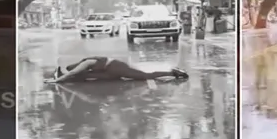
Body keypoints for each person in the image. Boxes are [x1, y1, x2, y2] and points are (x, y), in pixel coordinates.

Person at [46, 56, 188, 84]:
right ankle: (172, 72)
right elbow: (74, 75)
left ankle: (173, 73)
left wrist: (56, 81)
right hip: (110, 72)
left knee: (145, 76)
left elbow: (72, 73)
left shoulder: (87, 62)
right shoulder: (87, 69)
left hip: (116, 68)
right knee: (83, 78)